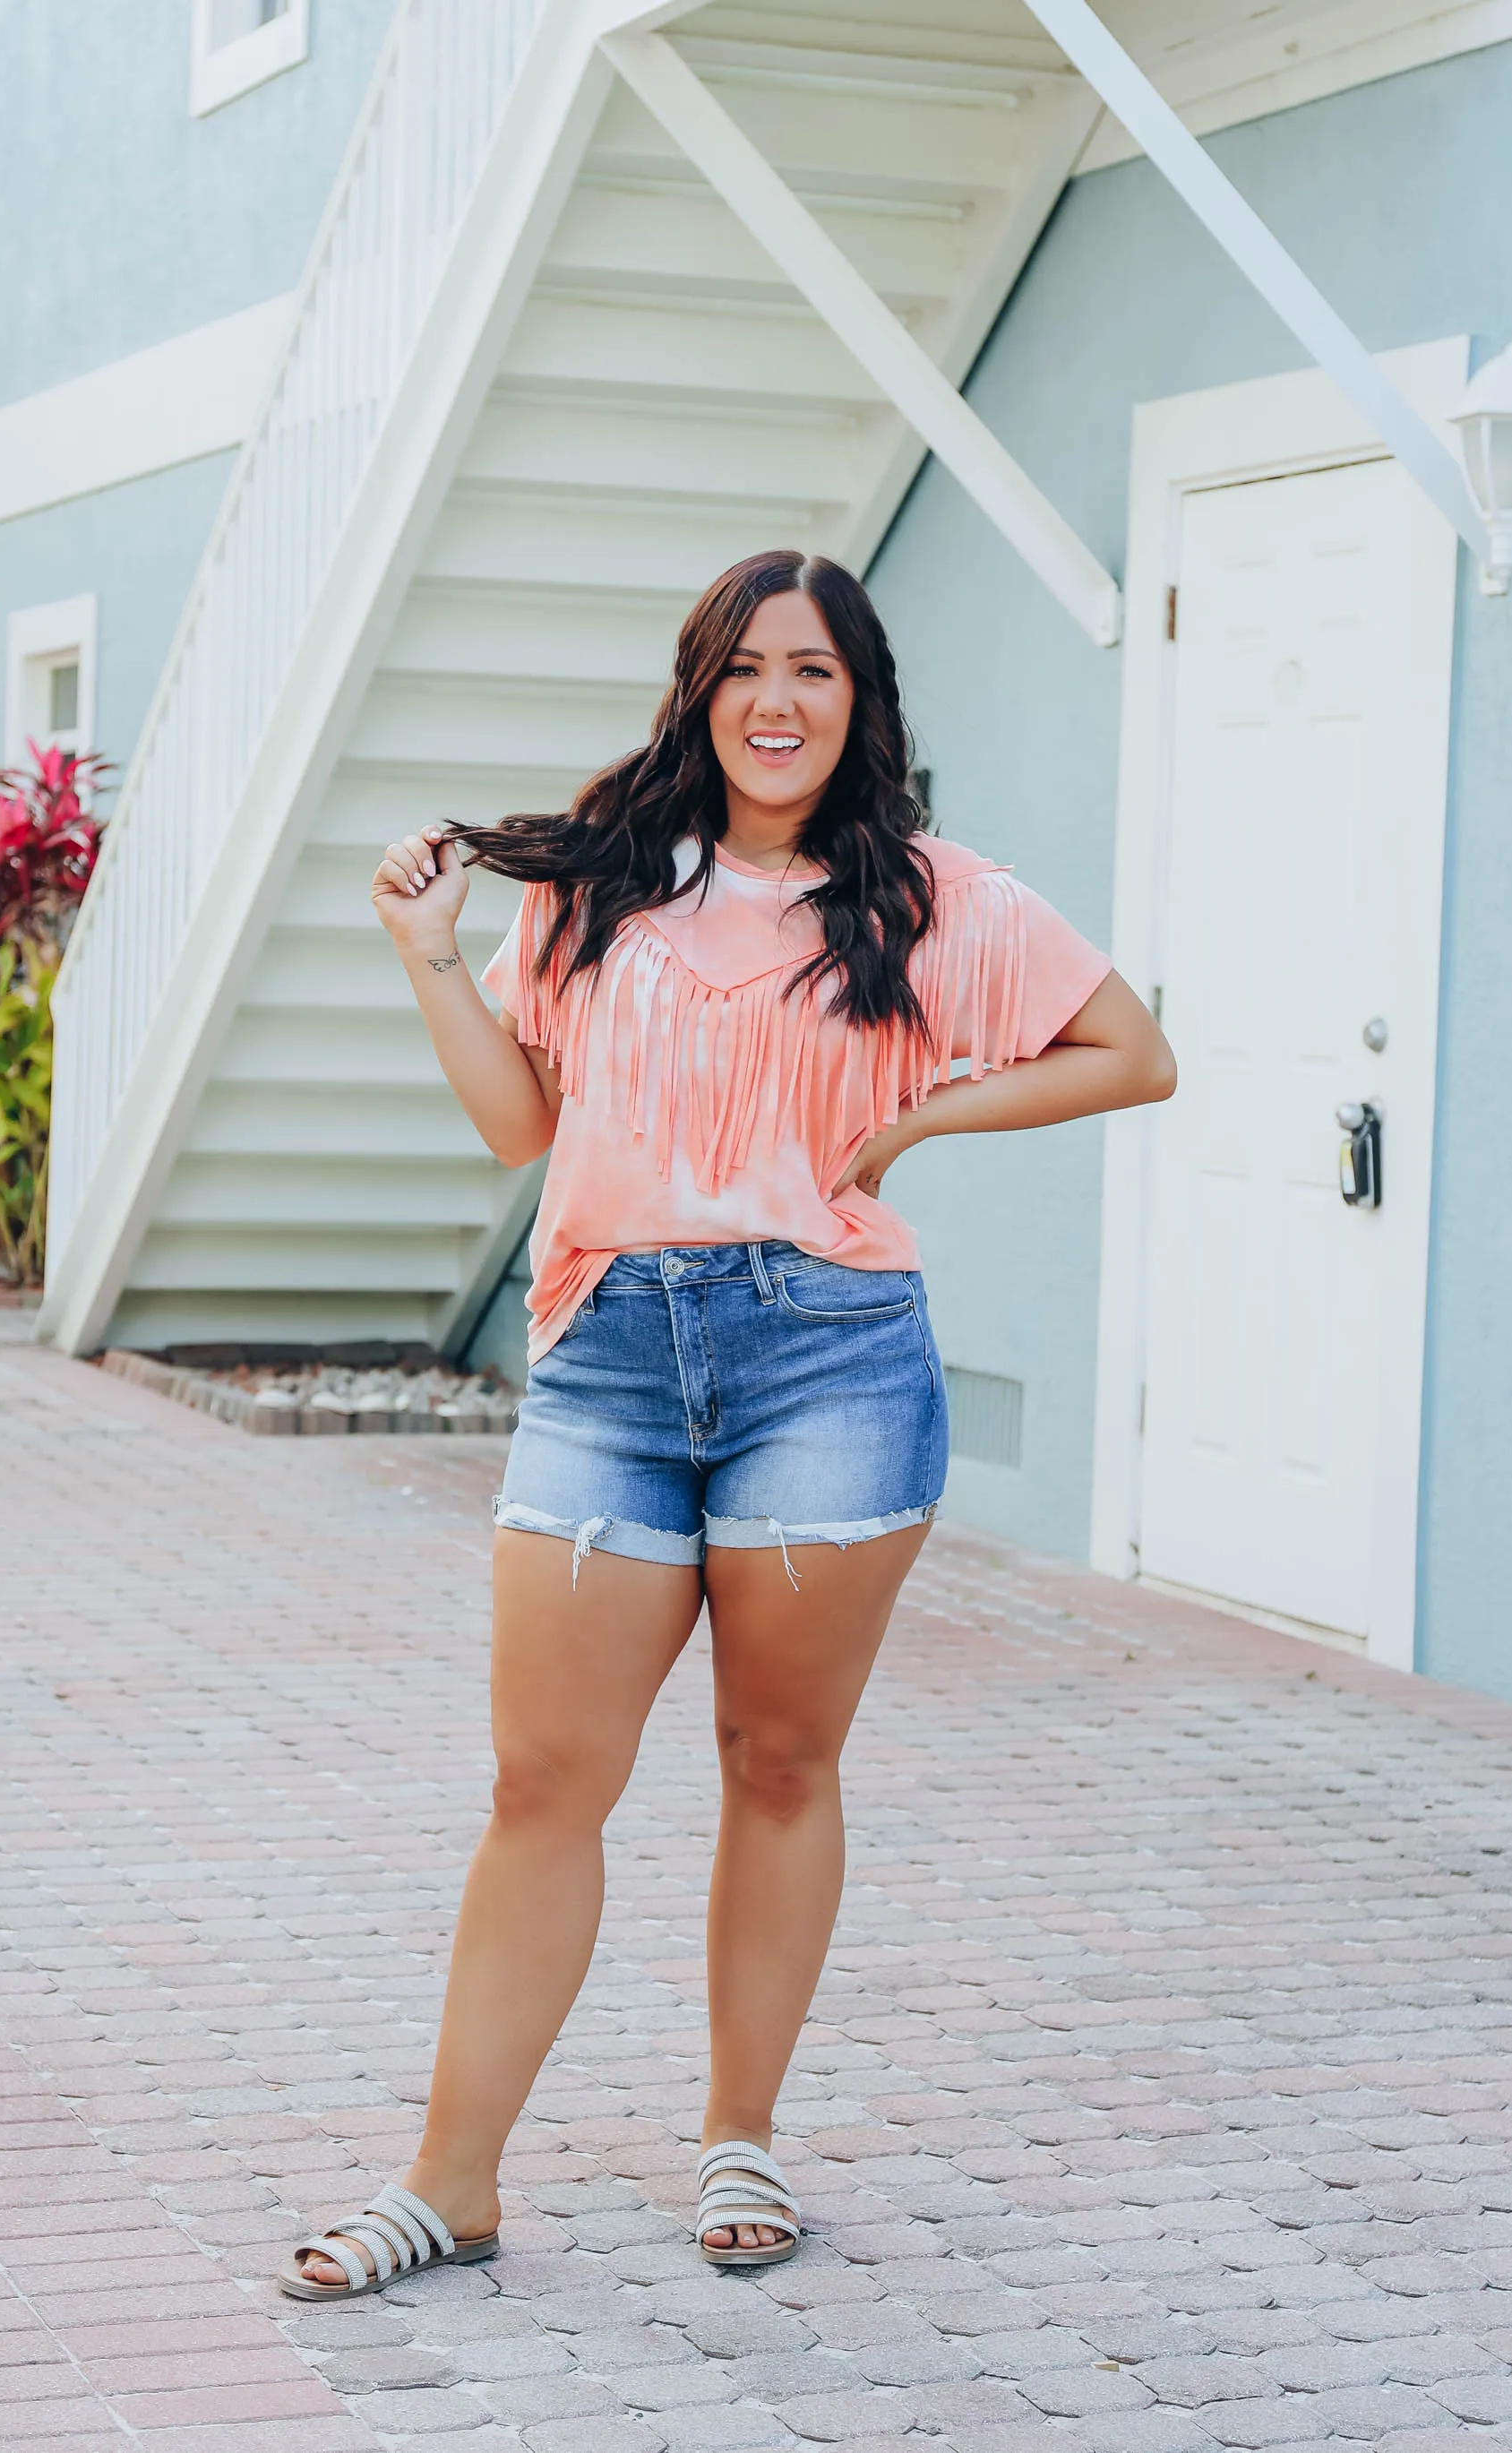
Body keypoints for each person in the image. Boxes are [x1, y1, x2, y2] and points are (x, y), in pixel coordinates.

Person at [281, 548, 1174, 2300]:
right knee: (546, 1777)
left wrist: (923, 1121)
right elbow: (516, 1131)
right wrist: (428, 956)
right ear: (700, 686)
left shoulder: (933, 899)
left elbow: (1132, 1052)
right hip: (607, 1355)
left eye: (817, 672)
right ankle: (451, 2181)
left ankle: (739, 2131)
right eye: (750, 666)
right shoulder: (596, 884)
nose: (780, 700)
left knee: (778, 1760)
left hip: (827, 1360)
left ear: (862, 702)